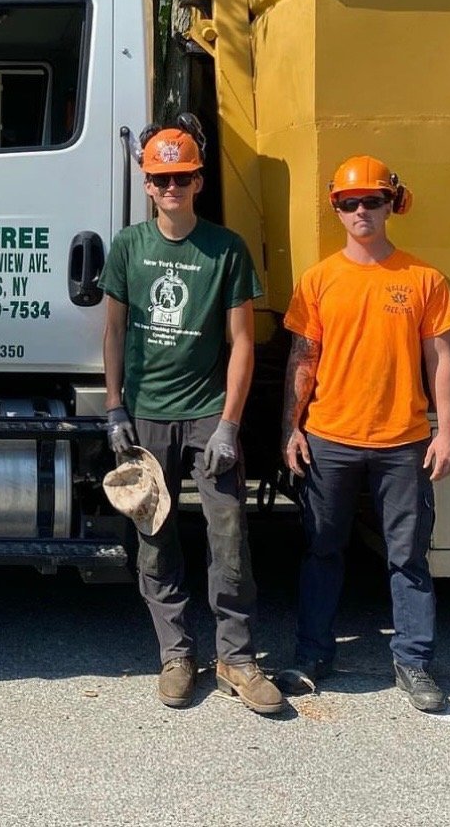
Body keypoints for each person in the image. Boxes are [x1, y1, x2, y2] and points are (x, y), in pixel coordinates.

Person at [100, 123, 284, 715]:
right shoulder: (128, 246)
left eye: (181, 177)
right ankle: (176, 654)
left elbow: (242, 342)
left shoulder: (225, 248)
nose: (171, 186)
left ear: (199, 180)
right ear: (147, 184)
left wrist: (229, 423)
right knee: (155, 538)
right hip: (148, 414)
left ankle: (236, 657)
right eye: (161, 178)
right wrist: (113, 406)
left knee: (228, 535)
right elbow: (113, 330)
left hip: (208, 412)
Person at [282, 155, 450, 712]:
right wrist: (292, 428)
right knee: (322, 551)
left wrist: (446, 433)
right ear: (336, 209)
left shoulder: (423, 279)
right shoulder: (319, 279)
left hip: (402, 440)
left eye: (372, 200)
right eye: (349, 203)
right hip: (330, 437)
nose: (361, 211)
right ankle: (313, 656)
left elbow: (442, 362)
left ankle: (414, 663)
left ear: (391, 205)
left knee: (407, 557)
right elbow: (302, 359)